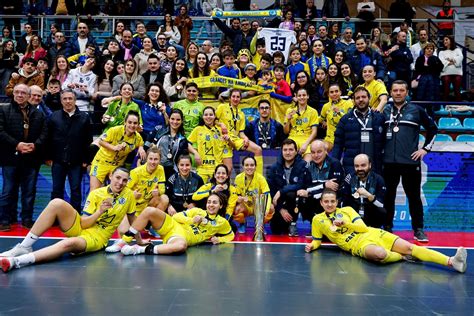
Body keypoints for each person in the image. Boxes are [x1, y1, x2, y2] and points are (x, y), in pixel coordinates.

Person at [0, 167, 137, 272]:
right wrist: (99, 212)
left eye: (124, 180)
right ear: (111, 176)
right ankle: (24, 246)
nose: (120, 183)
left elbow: (133, 221)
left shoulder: (129, 196)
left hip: (97, 237)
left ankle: (17, 261)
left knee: (67, 244)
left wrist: (139, 241)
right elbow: (83, 223)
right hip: (82, 226)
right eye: (118, 178)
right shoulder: (96, 193)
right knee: (56, 203)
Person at [305, 189, 467, 273]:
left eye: (332, 201)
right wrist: (312, 246)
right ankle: (402, 257)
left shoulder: (347, 210)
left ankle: (452, 261)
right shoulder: (317, 220)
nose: (329, 204)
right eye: (326, 201)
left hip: (372, 233)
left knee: (411, 247)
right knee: (380, 254)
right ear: (321, 203)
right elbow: (317, 240)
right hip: (358, 244)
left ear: (337, 202)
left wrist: (345, 223)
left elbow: (362, 227)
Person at [383, 80, 437, 241]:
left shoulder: (417, 110)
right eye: (395, 90)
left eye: (401, 90)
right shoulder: (385, 110)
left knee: (414, 196)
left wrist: (425, 149)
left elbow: (433, 129)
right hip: (388, 162)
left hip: (410, 162)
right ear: (390, 92)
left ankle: (418, 229)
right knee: (388, 197)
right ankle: (387, 228)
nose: (398, 93)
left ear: (407, 92)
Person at [115, 191, 234, 256]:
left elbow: (230, 235)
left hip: (179, 237)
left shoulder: (221, 222)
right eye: (209, 202)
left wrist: (220, 240)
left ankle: (139, 250)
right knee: (149, 211)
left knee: (181, 247)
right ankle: (123, 241)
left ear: (221, 205)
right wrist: (192, 220)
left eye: (214, 203)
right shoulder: (197, 211)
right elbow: (176, 217)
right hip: (171, 225)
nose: (211, 205)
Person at [0, 84, 48, 231]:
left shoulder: (38, 114)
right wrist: (17, 144)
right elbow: (0, 131)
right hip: (10, 158)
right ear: (13, 94)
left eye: (23, 93)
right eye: (17, 92)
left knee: (29, 191)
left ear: (28, 96)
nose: (20, 95)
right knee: (8, 190)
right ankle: (5, 219)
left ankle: (27, 219)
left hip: (31, 158)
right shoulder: (3, 109)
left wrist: (35, 145)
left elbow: (44, 133)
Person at [46, 90, 92, 212]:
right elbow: (48, 138)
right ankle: (55, 217)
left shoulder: (84, 118)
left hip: (76, 162)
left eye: (70, 98)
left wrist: (86, 160)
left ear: (75, 100)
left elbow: (88, 141)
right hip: (58, 161)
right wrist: (49, 157)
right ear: (61, 101)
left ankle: (74, 217)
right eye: (65, 99)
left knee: (76, 189)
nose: (68, 101)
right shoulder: (54, 117)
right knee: (57, 190)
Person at [332, 86, 385, 175]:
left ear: (369, 98)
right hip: (352, 167)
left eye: (363, 97)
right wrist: (334, 165)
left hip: (375, 167)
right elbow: (338, 145)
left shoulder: (379, 118)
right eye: (357, 98)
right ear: (353, 100)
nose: (361, 100)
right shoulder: (345, 120)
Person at [90, 111, 146, 191]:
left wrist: (141, 148)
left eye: (135, 123)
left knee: (115, 192)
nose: (132, 125)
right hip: (101, 162)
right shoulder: (114, 130)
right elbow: (101, 141)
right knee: (94, 191)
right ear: (125, 122)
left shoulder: (137, 137)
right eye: (130, 122)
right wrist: (114, 148)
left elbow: (140, 143)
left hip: (116, 166)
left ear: (138, 125)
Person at [216, 89, 263, 174]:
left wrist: (245, 138)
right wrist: (221, 124)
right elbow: (213, 121)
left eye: (238, 97)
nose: (235, 99)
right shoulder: (222, 107)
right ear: (230, 98)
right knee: (228, 170)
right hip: (222, 139)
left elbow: (241, 132)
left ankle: (258, 177)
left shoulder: (241, 114)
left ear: (240, 99)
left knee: (258, 149)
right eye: (233, 96)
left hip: (235, 139)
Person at [268, 139, 309, 236]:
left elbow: (302, 184)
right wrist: (281, 209)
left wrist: (281, 191)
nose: (288, 152)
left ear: (296, 151)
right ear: (281, 151)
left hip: (296, 200)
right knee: (276, 230)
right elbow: (271, 190)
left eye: (291, 150)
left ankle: (293, 223)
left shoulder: (303, 165)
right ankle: (284, 221)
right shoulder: (274, 167)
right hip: (280, 203)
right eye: (285, 150)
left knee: (293, 193)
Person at [297, 140, 344, 220]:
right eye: (313, 152)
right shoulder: (308, 166)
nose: (316, 155)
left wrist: (310, 192)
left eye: (319, 152)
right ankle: (313, 225)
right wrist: (324, 185)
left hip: (332, 197)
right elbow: (306, 187)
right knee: (301, 197)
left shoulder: (334, 164)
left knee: (326, 197)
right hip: (315, 197)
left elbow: (333, 188)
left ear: (326, 151)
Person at [146, 109, 199, 179]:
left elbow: (184, 154)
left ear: (182, 121)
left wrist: (195, 152)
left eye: (178, 120)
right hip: (155, 167)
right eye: (172, 119)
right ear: (169, 119)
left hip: (171, 171)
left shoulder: (182, 139)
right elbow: (146, 144)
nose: (175, 122)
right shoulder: (159, 130)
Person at [343, 154, 386, 228]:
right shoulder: (349, 178)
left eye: (363, 165)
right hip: (354, 212)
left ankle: (374, 229)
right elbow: (344, 200)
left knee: (381, 211)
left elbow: (381, 205)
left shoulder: (378, 179)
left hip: (370, 211)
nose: (359, 169)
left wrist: (369, 195)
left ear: (370, 165)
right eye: (356, 166)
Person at [234, 156, 274, 233]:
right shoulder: (238, 178)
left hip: (258, 206)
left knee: (271, 208)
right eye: (247, 165)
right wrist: (239, 198)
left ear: (255, 167)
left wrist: (266, 208)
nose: (249, 167)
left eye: (252, 165)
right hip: (246, 206)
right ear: (243, 166)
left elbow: (267, 195)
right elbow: (236, 195)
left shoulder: (261, 178)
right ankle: (242, 223)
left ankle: (261, 225)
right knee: (237, 209)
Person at [188, 107, 228, 183]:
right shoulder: (198, 129)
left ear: (214, 116)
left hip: (217, 168)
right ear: (202, 117)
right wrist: (195, 153)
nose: (208, 117)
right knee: (201, 192)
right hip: (202, 168)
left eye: (211, 114)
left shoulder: (220, 130)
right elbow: (186, 143)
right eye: (206, 115)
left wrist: (221, 125)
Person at [284, 88, 319, 161]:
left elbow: (314, 132)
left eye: (304, 95)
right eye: (299, 95)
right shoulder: (290, 111)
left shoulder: (313, 112)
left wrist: (306, 144)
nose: (302, 97)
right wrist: (288, 120)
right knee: (288, 160)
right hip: (292, 138)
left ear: (308, 96)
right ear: (296, 97)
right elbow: (286, 132)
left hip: (307, 139)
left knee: (307, 162)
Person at [319, 83, 353, 151]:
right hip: (330, 138)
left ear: (340, 92)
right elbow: (320, 119)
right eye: (331, 92)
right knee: (321, 148)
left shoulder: (348, 103)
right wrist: (323, 121)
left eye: (336, 91)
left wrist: (339, 112)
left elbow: (351, 120)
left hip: (345, 137)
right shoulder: (326, 106)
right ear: (328, 94)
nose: (334, 94)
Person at [413, 42, 443, 115]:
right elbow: (418, 69)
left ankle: (431, 106)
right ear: (424, 50)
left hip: (433, 78)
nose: (429, 50)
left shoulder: (435, 58)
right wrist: (430, 68)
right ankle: (423, 106)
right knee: (427, 78)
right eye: (427, 48)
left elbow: (439, 68)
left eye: (431, 49)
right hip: (421, 77)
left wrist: (427, 67)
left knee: (430, 79)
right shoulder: (420, 58)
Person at [438, 36, 463, 102]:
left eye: (446, 40)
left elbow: (460, 58)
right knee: (446, 90)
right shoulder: (441, 52)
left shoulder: (458, 50)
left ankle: (459, 106)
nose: (444, 41)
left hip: (457, 72)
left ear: (451, 40)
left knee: (457, 90)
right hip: (446, 73)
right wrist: (453, 61)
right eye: (444, 41)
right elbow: (441, 62)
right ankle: (444, 105)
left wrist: (450, 60)